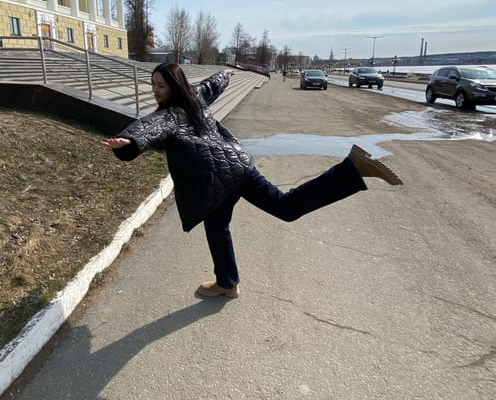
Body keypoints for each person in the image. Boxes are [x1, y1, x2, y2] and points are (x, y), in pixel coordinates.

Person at [102, 63, 402, 299]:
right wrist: (225, 74)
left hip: (224, 178)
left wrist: (129, 140)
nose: (156, 90)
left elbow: (149, 127)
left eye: (161, 85)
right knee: (218, 226)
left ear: (174, 86)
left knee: (286, 207)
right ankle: (227, 282)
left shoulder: (169, 115)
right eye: (153, 84)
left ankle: (351, 170)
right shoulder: (194, 98)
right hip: (234, 169)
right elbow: (209, 86)